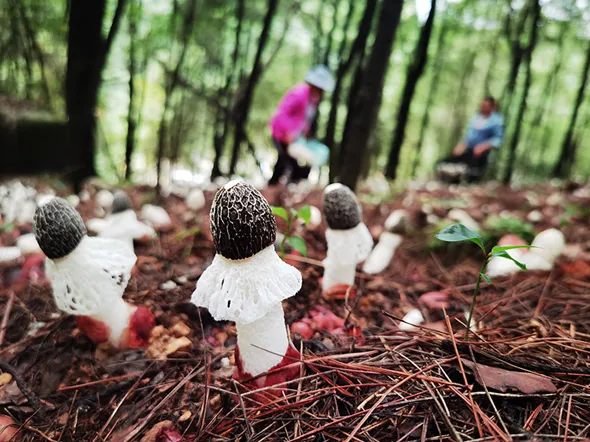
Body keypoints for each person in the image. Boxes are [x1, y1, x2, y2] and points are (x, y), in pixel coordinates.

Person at [268, 65, 335, 186]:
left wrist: (305, 131)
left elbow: (303, 119)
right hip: (281, 134)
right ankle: (276, 189)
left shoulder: (313, 100)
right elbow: (282, 113)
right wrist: (288, 132)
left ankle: (283, 189)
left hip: (296, 138)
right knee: (286, 162)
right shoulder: (299, 93)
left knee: (288, 163)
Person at [438, 96, 505, 182]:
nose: (483, 108)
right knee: (443, 162)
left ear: (492, 107)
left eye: (485, 106)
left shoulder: (497, 120)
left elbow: (498, 140)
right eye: (482, 105)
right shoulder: (476, 117)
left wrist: (483, 147)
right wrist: (461, 145)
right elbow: (468, 135)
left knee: (470, 172)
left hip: (480, 155)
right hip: (468, 150)